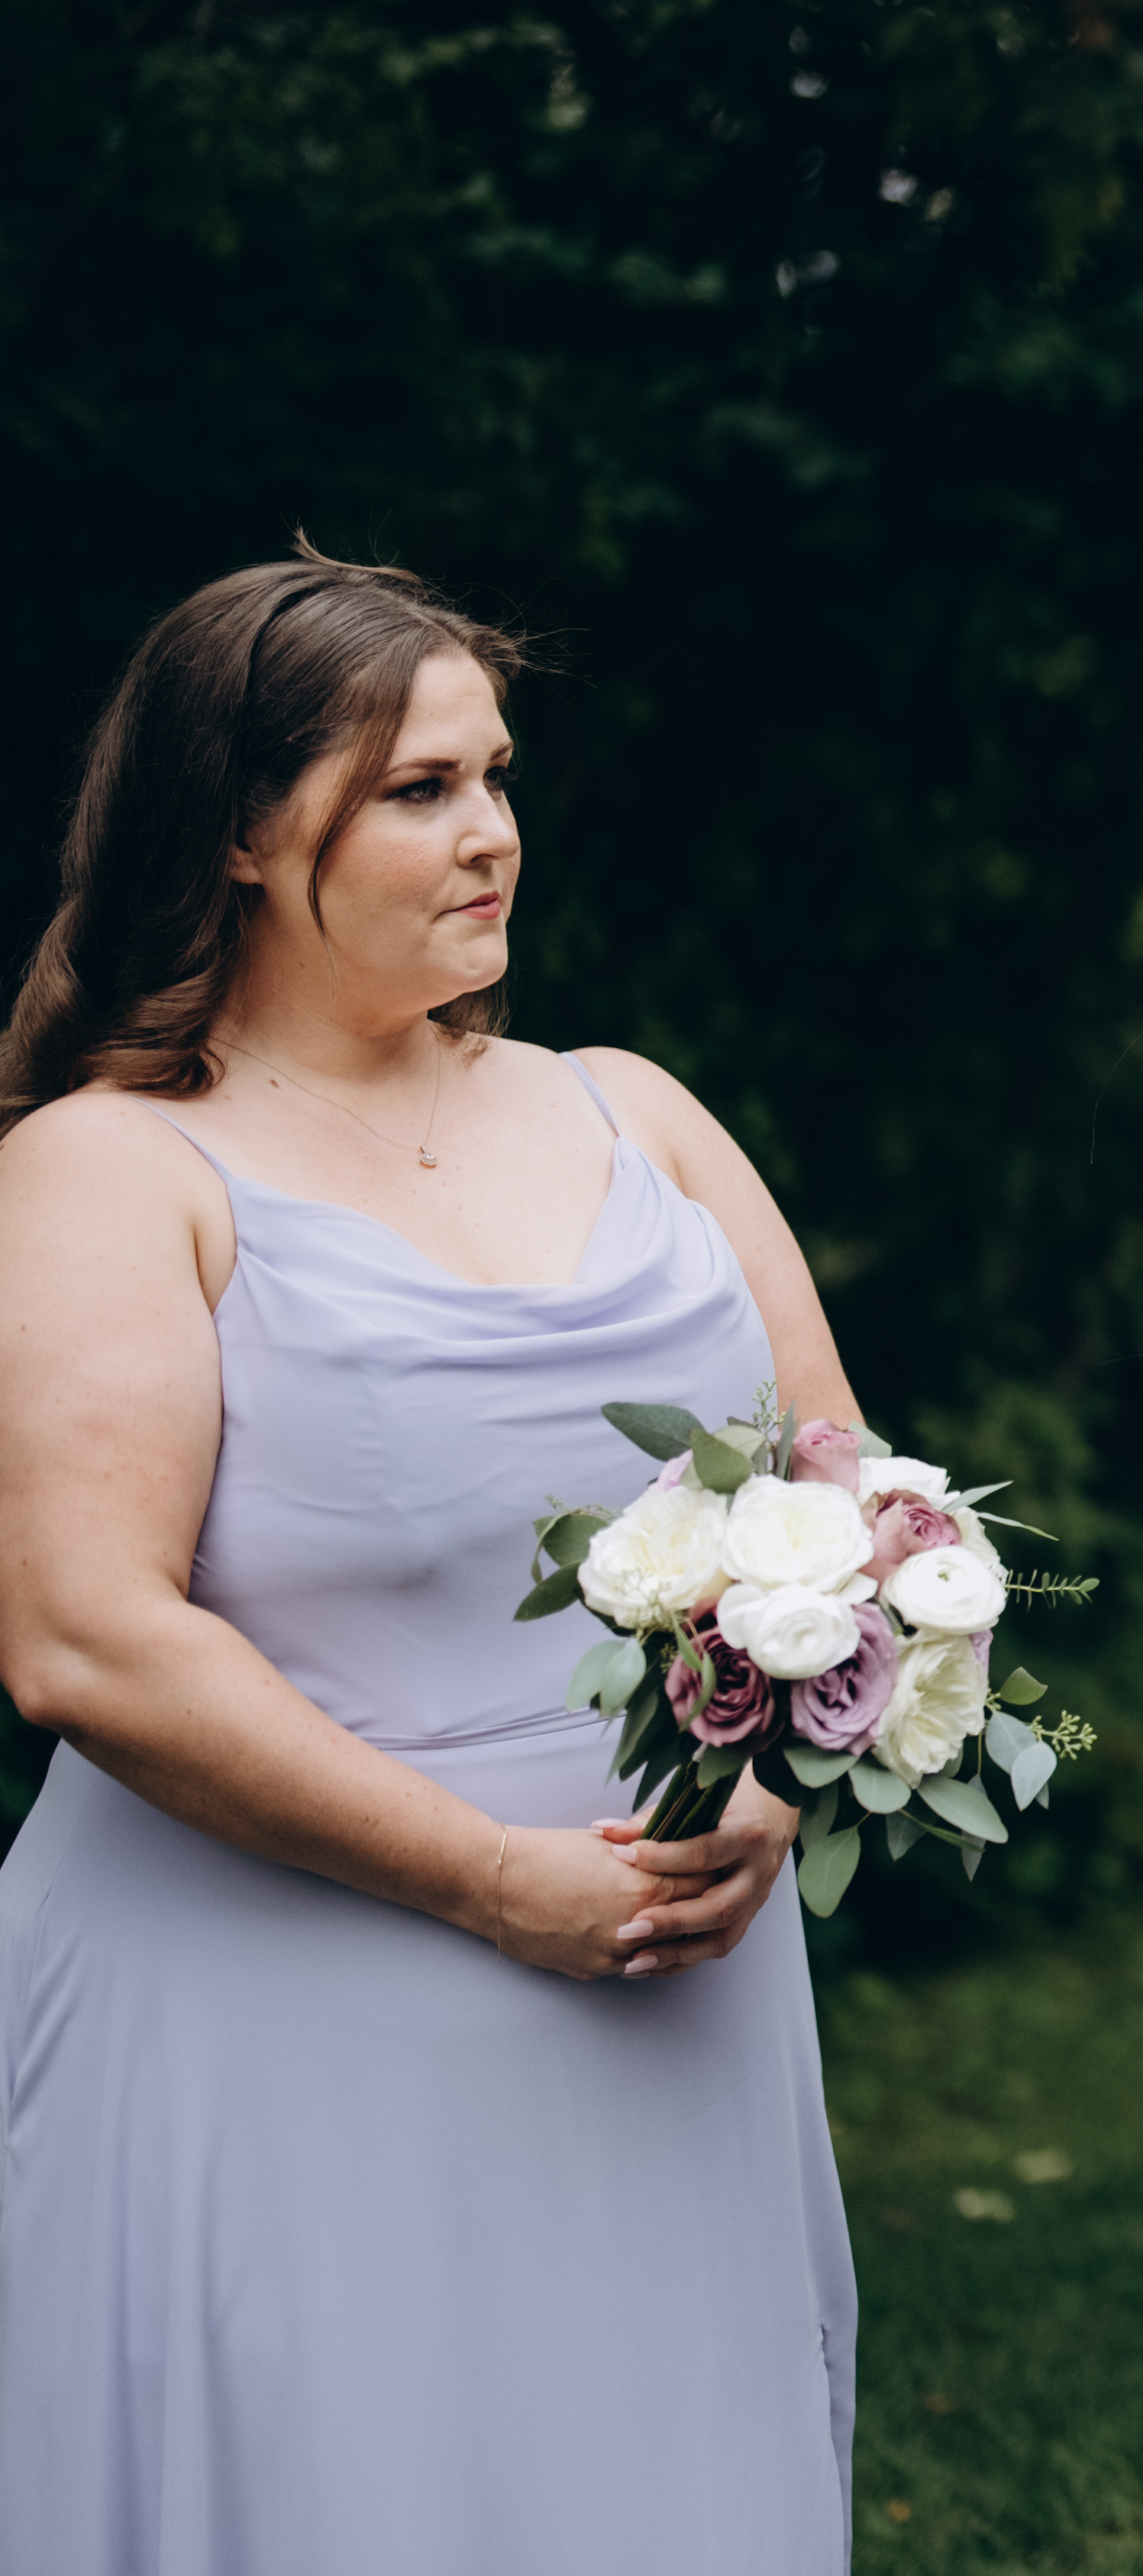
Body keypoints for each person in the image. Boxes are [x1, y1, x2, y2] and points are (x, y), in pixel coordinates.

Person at [0, 549, 858, 2571]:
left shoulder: (631, 1112)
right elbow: (84, 1637)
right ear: (235, 829)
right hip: (282, 2019)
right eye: (417, 790)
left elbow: (846, 1491)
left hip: (680, 1999)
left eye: (496, 775)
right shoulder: (112, 1168)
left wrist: (775, 1774)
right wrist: (488, 1876)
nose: (492, 834)